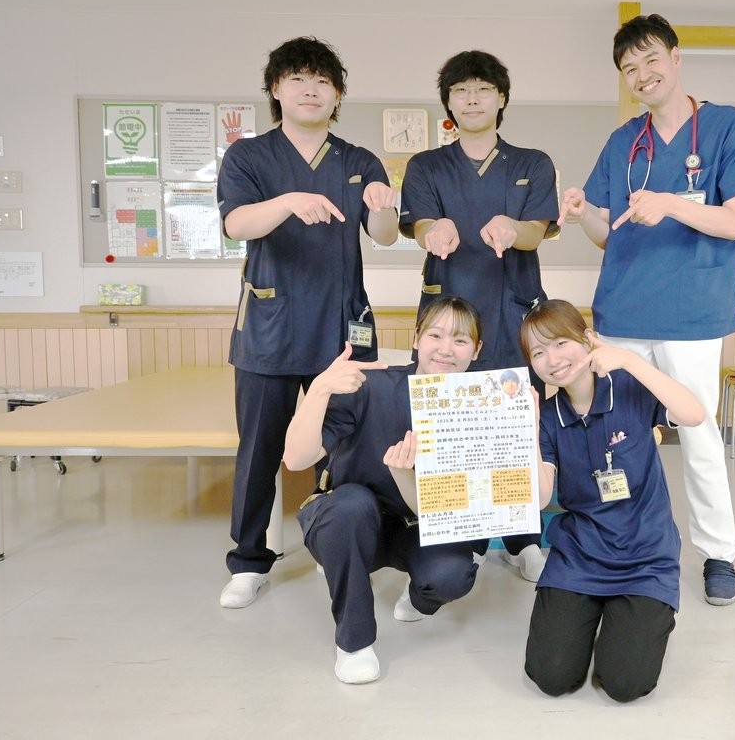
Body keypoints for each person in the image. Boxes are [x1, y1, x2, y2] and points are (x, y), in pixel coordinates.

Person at [560, 14, 735, 607]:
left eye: (650, 59)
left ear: (676, 58)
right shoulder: (624, 141)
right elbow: (607, 233)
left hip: (691, 314)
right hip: (622, 313)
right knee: (616, 436)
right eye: (629, 68)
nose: (642, 74)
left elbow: (732, 222)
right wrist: (582, 212)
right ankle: (619, 544)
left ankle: (719, 554)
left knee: (697, 434)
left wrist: (671, 204)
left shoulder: (728, 128)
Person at [216, 36, 400, 609]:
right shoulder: (248, 157)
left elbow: (384, 236)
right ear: (276, 89)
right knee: (259, 449)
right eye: (297, 78)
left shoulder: (358, 160)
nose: (310, 89)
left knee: (345, 444)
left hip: (343, 326)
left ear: (338, 94)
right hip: (270, 326)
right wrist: (289, 201)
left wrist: (384, 205)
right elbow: (236, 224)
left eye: (323, 80)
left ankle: (337, 547)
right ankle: (250, 560)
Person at [399, 49, 558, 582]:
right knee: (448, 429)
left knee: (516, 426)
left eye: (483, 89)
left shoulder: (532, 163)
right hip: (450, 312)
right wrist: (434, 230)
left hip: (512, 308)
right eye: (461, 90)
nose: (472, 99)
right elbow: (420, 224)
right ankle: (458, 539)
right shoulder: (426, 166)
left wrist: (514, 229)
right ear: (448, 102)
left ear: (501, 98)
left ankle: (523, 539)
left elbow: (538, 229)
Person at [284, 296, 485, 684]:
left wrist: (402, 475)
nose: (446, 349)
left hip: (420, 525)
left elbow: (445, 513)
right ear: (416, 338)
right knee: (351, 506)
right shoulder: (372, 386)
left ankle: (418, 596)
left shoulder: (480, 407)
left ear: (476, 350)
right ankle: (354, 644)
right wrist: (320, 388)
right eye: (435, 335)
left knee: (453, 574)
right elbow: (295, 458)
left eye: (460, 340)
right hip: (351, 520)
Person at [520, 299, 705, 702]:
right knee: (552, 676)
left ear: (587, 339)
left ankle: (639, 617)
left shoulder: (629, 388)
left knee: (624, 683)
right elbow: (540, 498)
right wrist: (528, 430)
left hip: (645, 556)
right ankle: (595, 613)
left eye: (560, 343)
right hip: (579, 556)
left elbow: (694, 415)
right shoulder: (548, 416)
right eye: (538, 352)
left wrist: (629, 360)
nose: (553, 359)